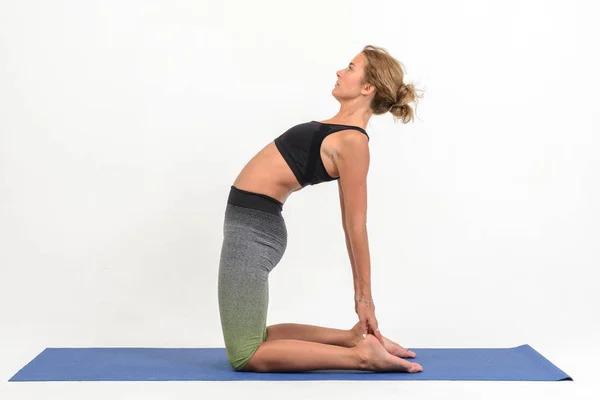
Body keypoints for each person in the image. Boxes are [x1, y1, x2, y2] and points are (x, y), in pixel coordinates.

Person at [218, 45, 424, 373]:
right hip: (250, 224)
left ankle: (361, 357)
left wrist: (364, 299)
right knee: (258, 337)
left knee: (245, 354)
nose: (340, 72)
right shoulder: (338, 131)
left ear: (368, 87)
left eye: (351, 68)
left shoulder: (353, 143)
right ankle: (354, 340)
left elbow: (355, 224)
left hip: (253, 231)